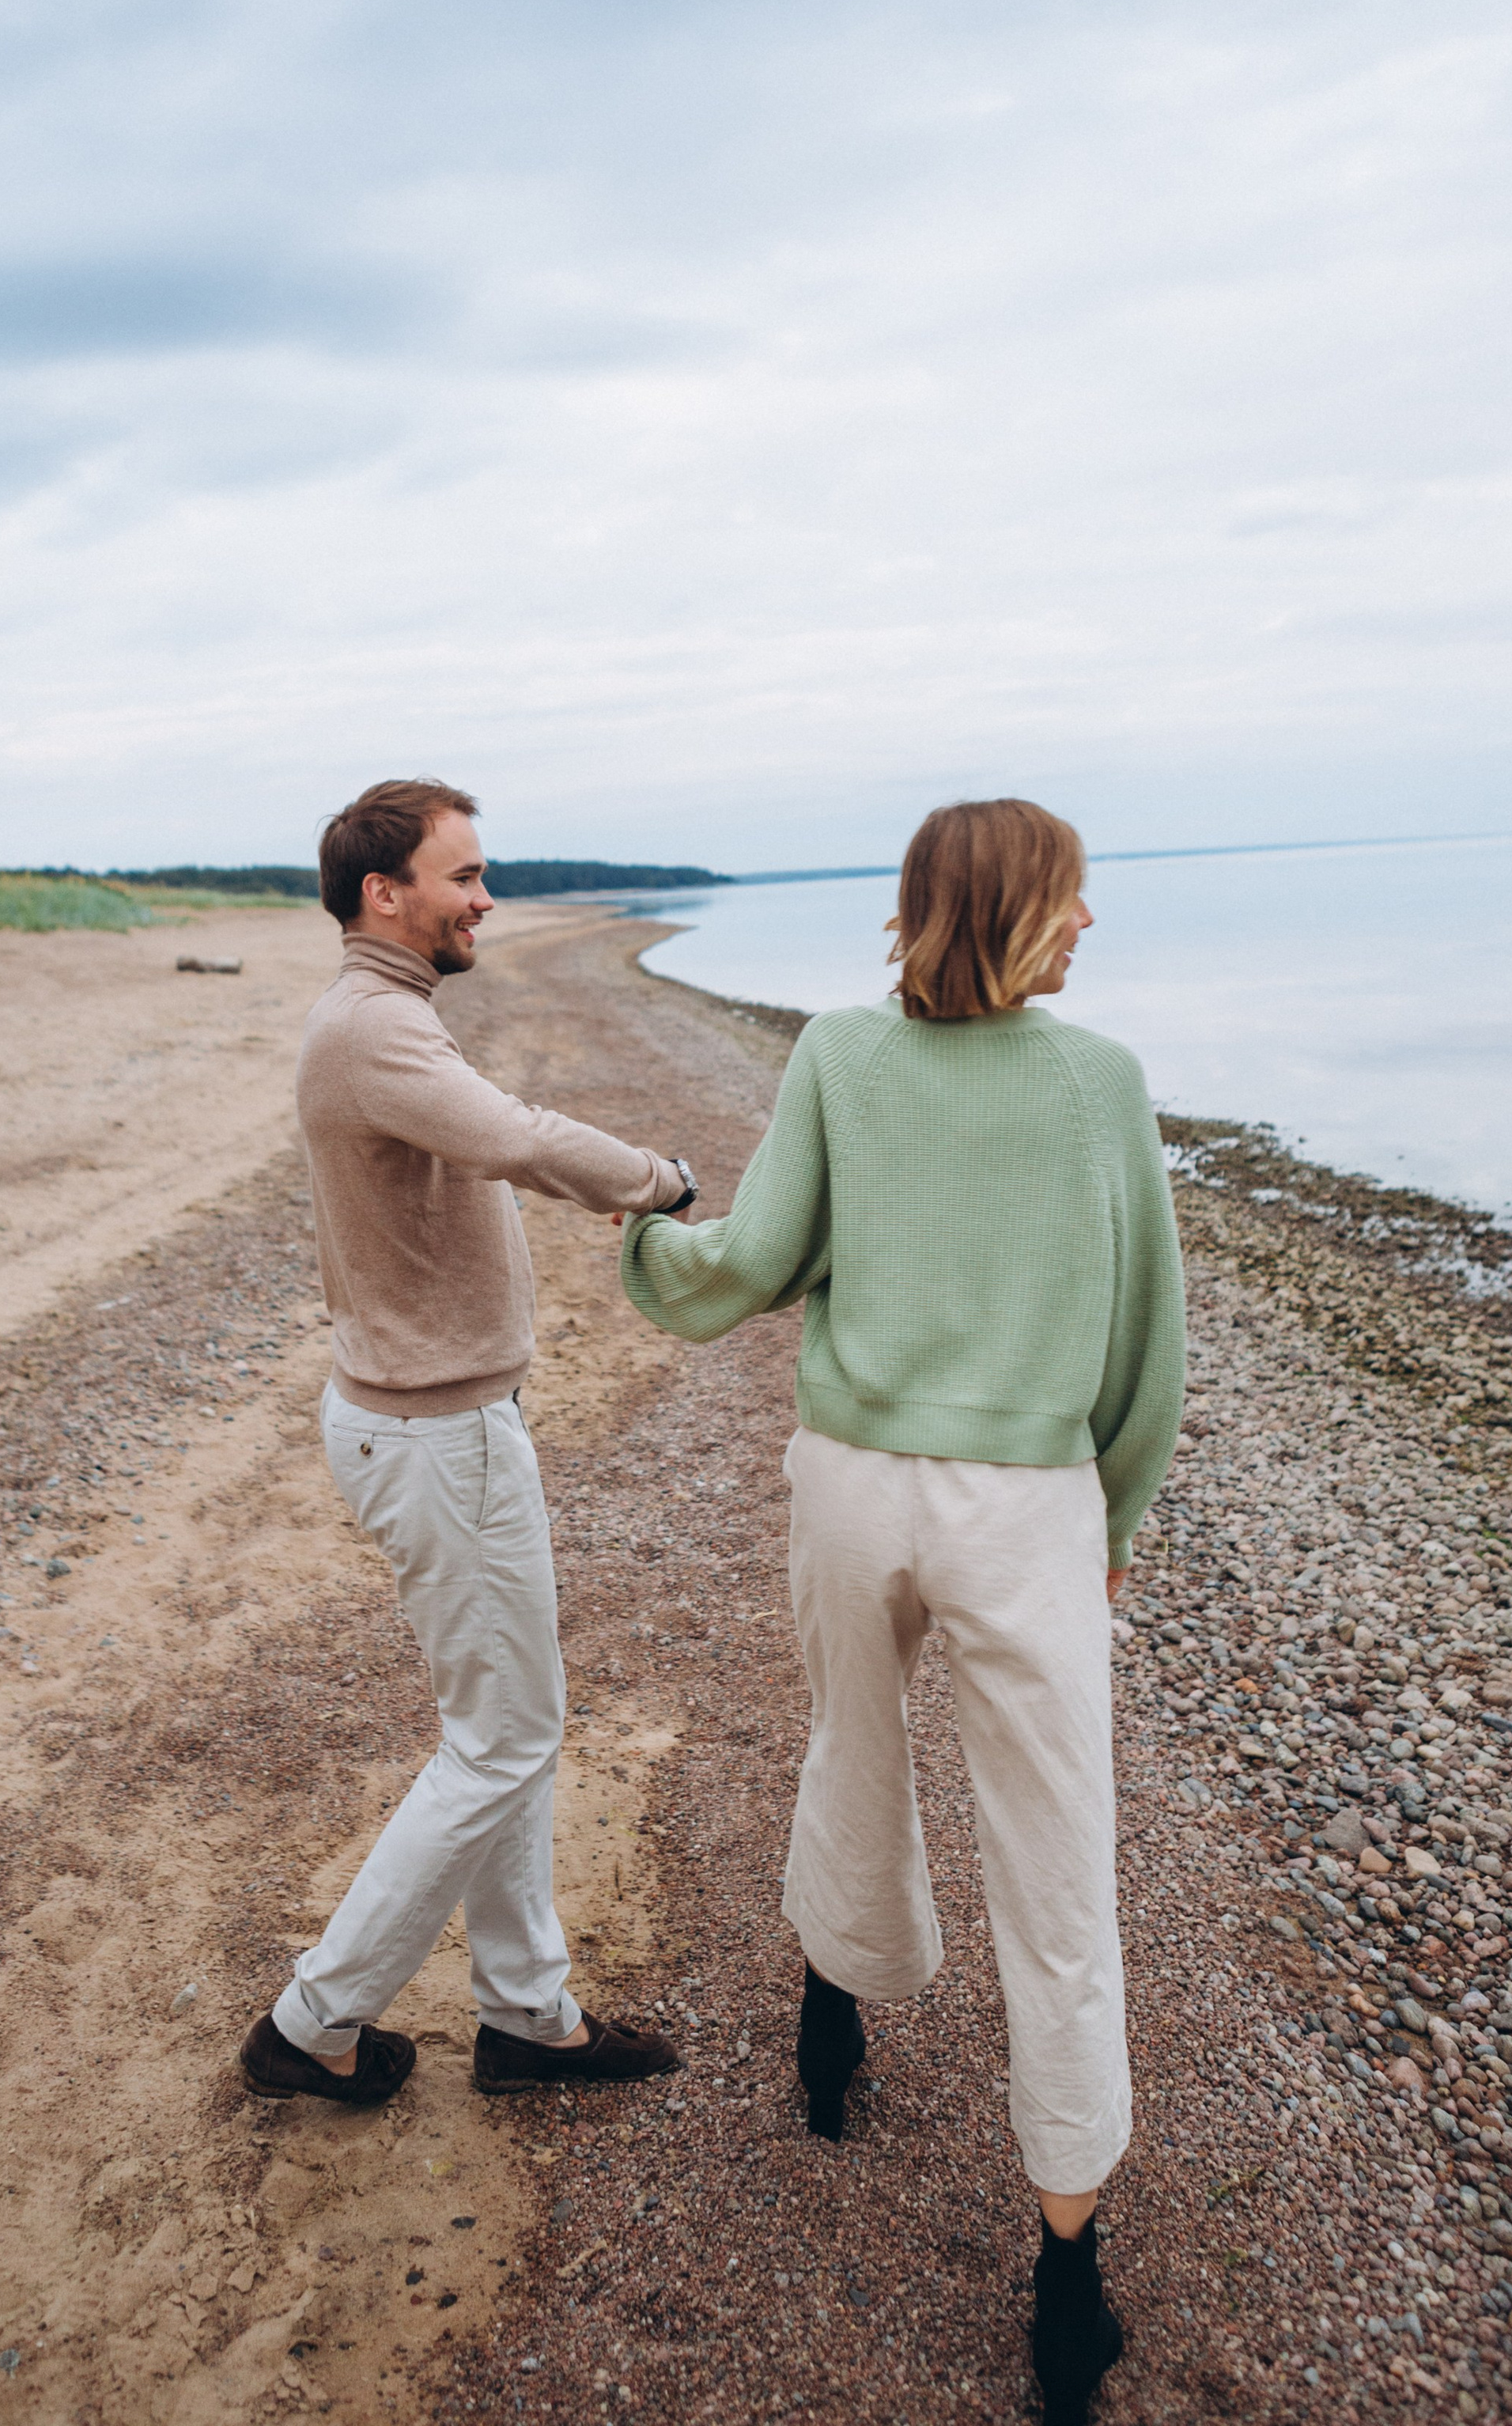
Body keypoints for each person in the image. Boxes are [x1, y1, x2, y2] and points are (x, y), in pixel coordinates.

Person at [618, 797, 1184, 2426]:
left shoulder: (836, 1059)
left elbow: (760, 1259)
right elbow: (1149, 1343)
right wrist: (1116, 1517)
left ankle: (826, 2027)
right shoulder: (1100, 1085)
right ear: (1013, 909)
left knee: (850, 1756)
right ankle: (1065, 2282)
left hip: (853, 1479)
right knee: (1056, 1862)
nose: (1088, 926)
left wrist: (655, 1246)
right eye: (1072, 899)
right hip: (1018, 1511)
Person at [240, 778, 694, 2114]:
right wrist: (659, 1181)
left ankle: (527, 2016)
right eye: (463, 876)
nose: (486, 898)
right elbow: (517, 1139)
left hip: (436, 1423)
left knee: (504, 1728)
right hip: (437, 1435)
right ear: (387, 894)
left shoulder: (381, 1018)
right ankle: (314, 2021)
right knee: (502, 1739)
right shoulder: (375, 1031)